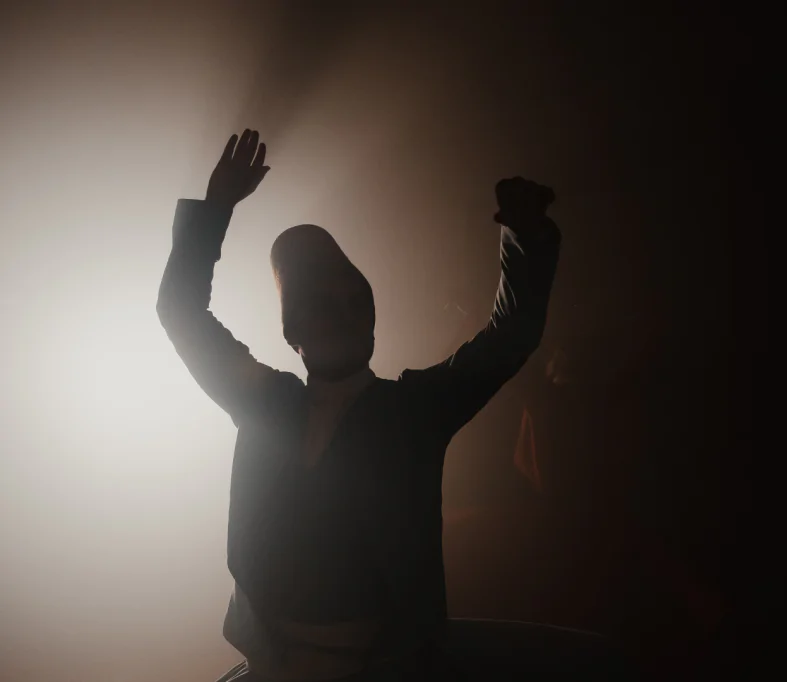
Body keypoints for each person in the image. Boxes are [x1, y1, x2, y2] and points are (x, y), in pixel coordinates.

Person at [157, 130, 562, 680]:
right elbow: (180, 312)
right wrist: (217, 208)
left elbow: (510, 335)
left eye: (356, 300)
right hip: (272, 662)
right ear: (292, 330)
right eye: (325, 305)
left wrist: (526, 235)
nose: (348, 315)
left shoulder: (414, 410)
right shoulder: (265, 401)